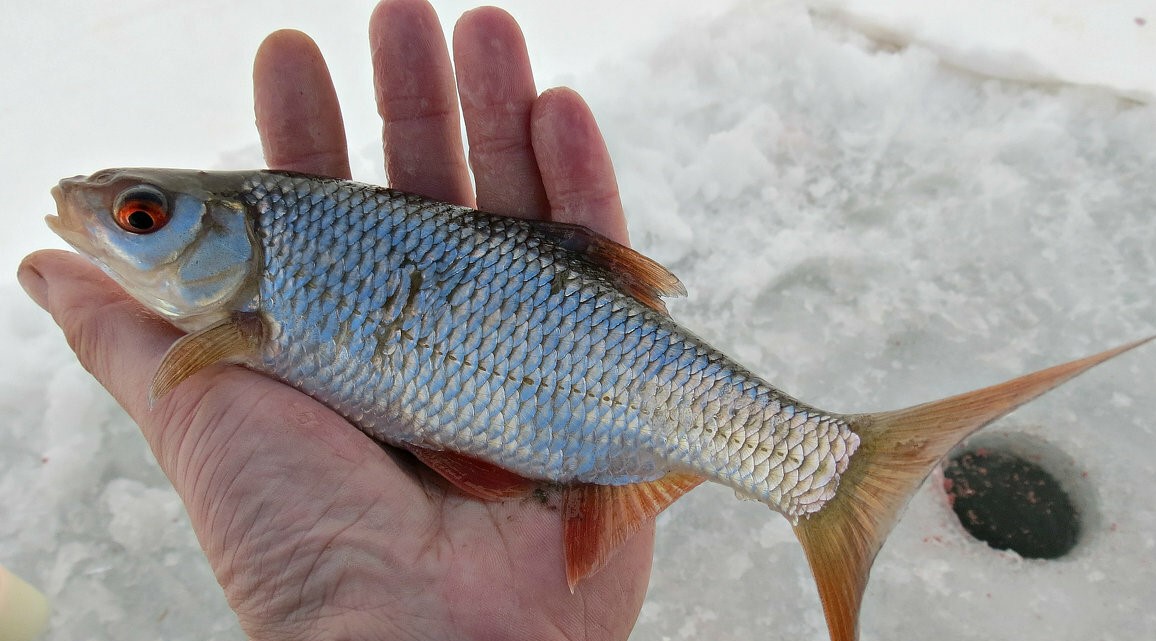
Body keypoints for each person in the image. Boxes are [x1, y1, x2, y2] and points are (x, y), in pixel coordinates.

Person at [17, 1, 650, 639]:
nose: (116, 225)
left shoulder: (240, 321)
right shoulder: (240, 308)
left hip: (566, 371)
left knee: (743, 438)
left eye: (140, 219)